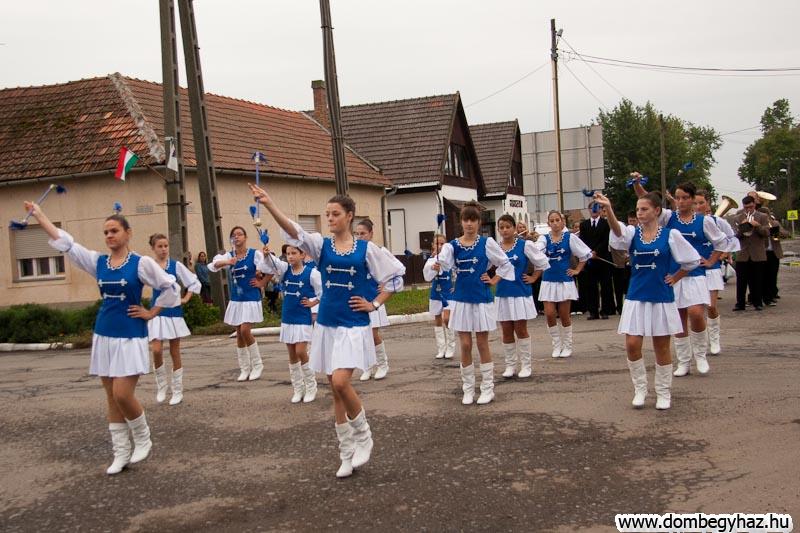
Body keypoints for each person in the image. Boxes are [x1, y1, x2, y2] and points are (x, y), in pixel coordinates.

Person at [252, 183, 405, 478]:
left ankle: (364, 436)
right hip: (326, 324)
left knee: (340, 382)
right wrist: (269, 204)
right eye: (327, 214)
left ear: (349, 216)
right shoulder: (321, 246)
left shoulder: (366, 250)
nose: (330, 218)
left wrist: (374, 303)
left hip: (354, 324)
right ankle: (346, 453)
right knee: (335, 393)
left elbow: (396, 276)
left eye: (335, 214)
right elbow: (295, 231)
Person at [25, 201, 179, 474]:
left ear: (128, 233)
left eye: (114, 231)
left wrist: (151, 312)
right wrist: (40, 215)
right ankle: (120, 452)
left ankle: (143, 437)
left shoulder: (141, 263)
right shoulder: (98, 262)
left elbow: (170, 287)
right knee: (111, 397)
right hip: (104, 334)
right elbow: (68, 245)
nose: (109, 235)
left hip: (130, 335)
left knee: (122, 394)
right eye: (106, 232)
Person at [594, 192, 701, 410]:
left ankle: (663, 391)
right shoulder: (633, 233)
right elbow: (618, 233)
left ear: (656, 211)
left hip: (661, 296)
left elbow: (692, 260)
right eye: (638, 209)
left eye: (644, 209)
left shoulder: (670, 235)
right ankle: (640, 389)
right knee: (632, 344)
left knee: (661, 346)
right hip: (636, 295)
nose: (640, 213)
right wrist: (609, 209)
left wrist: (676, 277)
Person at [634, 177, 732, 377]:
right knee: (678, 319)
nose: (681, 202)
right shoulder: (668, 218)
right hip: (672, 275)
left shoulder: (704, 221)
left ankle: (700, 355)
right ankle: (684, 361)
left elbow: (722, 242)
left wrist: (711, 260)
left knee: (696, 313)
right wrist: (636, 184)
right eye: (678, 198)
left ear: (693, 199)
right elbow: (648, 200)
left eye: (685, 198)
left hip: (695, 274)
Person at [433, 201, 514, 405]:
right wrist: (437, 264)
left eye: (473, 220)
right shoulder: (452, 246)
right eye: (465, 220)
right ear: (461, 222)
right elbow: (443, 263)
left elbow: (504, 263)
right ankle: (468, 389)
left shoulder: (487, 243)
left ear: (478, 222)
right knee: (465, 344)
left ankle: (487, 388)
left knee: (482, 343)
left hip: (481, 298)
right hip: (461, 299)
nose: (469, 224)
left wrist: (494, 279)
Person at [261, 244, 321, 403]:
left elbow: (324, 291)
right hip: (288, 316)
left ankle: (311, 386)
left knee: (301, 351)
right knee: (292, 354)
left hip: (302, 316)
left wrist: (313, 302)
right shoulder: (284, 270)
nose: (290, 256)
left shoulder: (312, 273)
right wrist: (267, 254)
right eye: (288, 254)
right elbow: (272, 263)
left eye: (294, 253)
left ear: (302, 255)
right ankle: (298, 389)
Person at [147, 234, 202, 406]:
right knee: (156, 350)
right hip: (156, 312)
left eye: (166, 246)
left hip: (173, 312)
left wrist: (186, 298)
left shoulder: (175, 265)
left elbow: (193, 282)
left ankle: (177, 390)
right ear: (153, 248)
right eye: (160, 246)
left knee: (174, 351)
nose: (164, 249)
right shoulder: (149, 266)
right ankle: (162, 385)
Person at [208, 227, 269, 382]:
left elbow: (270, 268)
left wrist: (262, 282)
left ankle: (257, 364)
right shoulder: (230, 255)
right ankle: (244, 368)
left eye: (240, 234)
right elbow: (213, 265)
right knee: (239, 333)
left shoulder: (254, 254)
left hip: (251, 297)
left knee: (245, 330)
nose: (237, 237)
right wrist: (228, 262)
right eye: (234, 235)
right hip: (236, 299)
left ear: (245, 237)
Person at [493, 214, 549, 377]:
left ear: (514, 228)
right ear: (498, 230)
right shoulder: (495, 247)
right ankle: (510, 365)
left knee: (520, 329)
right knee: (506, 331)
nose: (505, 230)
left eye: (508, 227)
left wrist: (534, 277)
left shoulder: (525, 245)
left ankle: (526, 365)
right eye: (501, 227)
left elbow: (542, 261)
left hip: (519, 293)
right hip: (503, 293)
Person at [537, 211, 591, 358]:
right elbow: (537, 250)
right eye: (552, 221)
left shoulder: (570, 237)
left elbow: (585, 254)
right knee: (549, 314)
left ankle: (567, 345)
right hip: (548, 280)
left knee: (564, 315)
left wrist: (577, 270)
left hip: (564, 280)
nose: (555, 223)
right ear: (548, 223)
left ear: (562, 222)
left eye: (557, 220)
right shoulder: (543, 239)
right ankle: (556, 344)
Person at [354, 218, 403, 381]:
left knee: (373, 334)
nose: (359, 237)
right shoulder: (354, 253)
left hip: (374, 298)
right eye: (356, 234)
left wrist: (386, 284)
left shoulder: (380, 251)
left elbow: (398, 270)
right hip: (359, 298)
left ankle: (382, 364)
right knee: (362, 335)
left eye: (363, 233)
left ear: (371, 234)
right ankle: (367, 366)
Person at [694, 190, 740, 355]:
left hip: (711, 268)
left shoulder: (717, 221)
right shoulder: (686, 222)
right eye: (695, 203)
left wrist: (722, 254)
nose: (698, 206)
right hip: (692, 269)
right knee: (696, 311)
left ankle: (714, 339)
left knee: (711, 306)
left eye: (701, 202)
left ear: (707, 203)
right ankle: (701, 342)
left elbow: (732, 239)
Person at [732, 195, 770, 311]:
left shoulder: (762, 216)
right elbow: (735, 236)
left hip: (757, 254)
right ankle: (740, 304)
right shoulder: (737, 218)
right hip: (743, 254)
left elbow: (767, 233)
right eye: (746, 207)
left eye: (750, 207)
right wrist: (743, 227)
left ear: (754, 205)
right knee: (741, 281)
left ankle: (757, 303)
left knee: (757, 280)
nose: (748, 209)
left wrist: (757, 225)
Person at [422, 234, 456, 359]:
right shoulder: (431, 259)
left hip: (449, 292)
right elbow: (427, 276)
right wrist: (433, 268)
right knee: (437, 319)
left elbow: (456, 272)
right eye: (437, 244)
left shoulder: (450, 257)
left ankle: (451, 347)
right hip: (436, 292)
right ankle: (441, 348)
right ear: (433, 245)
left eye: (442, 244)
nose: (440, 246)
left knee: (447, 319)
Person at [579, 207, 615, 319]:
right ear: (589, 210)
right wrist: (589, 252)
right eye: (592, 208)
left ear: (600, 210)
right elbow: (582, 240)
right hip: (590, 259)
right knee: (591, 286)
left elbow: (606, 240)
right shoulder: (584, 224)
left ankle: (605, 310)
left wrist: (596, 251)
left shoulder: (605, 223)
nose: (594, 210)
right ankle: (593, 311)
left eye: (596, 208)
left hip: (602, 258)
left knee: (605, 286)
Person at [760, 206, 789, 306]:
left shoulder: (775, 223)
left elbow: (784, 234)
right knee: (763, 276)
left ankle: (771, 295)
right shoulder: (758, 225)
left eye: (766, 216)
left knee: (772, 275)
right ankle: (764, 296)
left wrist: (775, 231)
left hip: (773, 253)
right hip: (762, 253)